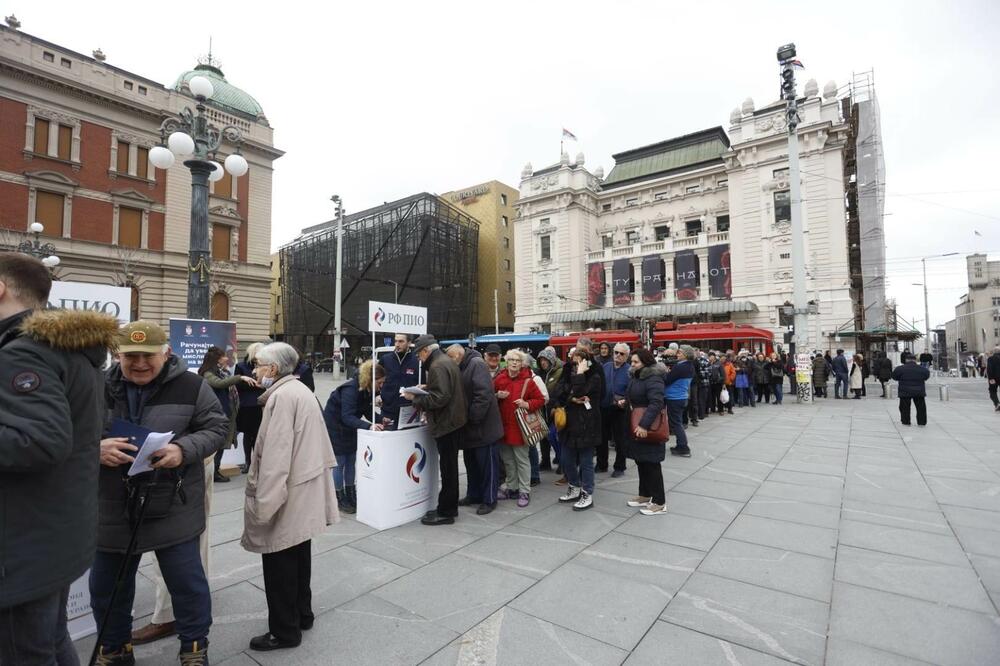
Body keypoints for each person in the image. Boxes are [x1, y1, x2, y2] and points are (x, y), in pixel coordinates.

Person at [0, 255, 118, 665]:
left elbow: (40, 440)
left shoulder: (22, 354)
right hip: (55, 533)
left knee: (24, 653)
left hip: (23, 543)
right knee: (49, 643)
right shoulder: (69, 352)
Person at [93, 321, 228, 665]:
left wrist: (183, 449)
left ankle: (194, 649)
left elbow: (216, 427)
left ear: (166, 353)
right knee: (107, 587)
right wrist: (94, 448)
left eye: (147, 355)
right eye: (131, 356)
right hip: (111, 504)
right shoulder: (95, 386)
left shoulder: (192, 385)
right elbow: (67, 432)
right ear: (117, 355)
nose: (139, 363)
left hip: (172, 502)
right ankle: (115, 648)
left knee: (187, 584)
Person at [242, 342, 339, 651]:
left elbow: (276, 457)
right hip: (303, 489)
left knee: (279, 561)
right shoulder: (299, 392)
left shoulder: (282, 398)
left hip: (288, 493)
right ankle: (302, 615)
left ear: (273, 369)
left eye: (258, 364)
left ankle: (284, 632)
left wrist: (264, 506)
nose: (255, 370)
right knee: (298, 556)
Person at [404, 335, 467, 526]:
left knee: (448, 470)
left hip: (446, 423)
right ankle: (450, 508)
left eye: (419, 354)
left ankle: (446, 512)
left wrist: (413, 398)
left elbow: (439, 398)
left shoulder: (437, 366)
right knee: (450, 469)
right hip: (454, 421)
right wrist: (428, 387)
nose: (419, 359)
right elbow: (445, 390)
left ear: (426, 351)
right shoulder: (445, 360)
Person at [447, 344, 504, 515]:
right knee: (471, 464)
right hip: (470, 428)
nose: (450, 362)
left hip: (483, 428)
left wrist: (473, 417)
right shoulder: (464, 365)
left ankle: (489, 499)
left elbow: (484, 395)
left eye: (451, 358)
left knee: (488, 467)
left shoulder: (476, 364)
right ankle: (474, 494)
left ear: (458, 354)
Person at [323, 360, 386, 514]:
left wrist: (380, 420)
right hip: (335, 426)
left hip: (350, 426)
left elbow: (365, 409)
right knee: (340, 462)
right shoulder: (351, 388)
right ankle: (339, 497)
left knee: (351, 459)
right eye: (379, 382)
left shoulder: (366, 388)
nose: (381, 386)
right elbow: (347, 416)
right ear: (371, 379)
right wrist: (369, 426)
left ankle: (351, 493)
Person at [198, 346, 257, 483]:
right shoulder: (208, 373)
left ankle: (215, 470)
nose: (226, 358)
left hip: (225, 413)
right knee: (217, 444)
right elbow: (219, 384)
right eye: (224, 356)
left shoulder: (222, 372)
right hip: (216, 415)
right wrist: (240, 377)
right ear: (218, 359)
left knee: (223, 443)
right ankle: (212, 471)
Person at [494, 349, 545, 507]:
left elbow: (541, 400)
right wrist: (497, 396)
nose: (515, 363)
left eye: (518, 360)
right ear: (507, 362)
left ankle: (524, 490)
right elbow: (489, 395)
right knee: (508, 460)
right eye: (512, 360)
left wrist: (526, 404)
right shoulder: (500, 378)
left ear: (522, 363)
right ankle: (512, 487)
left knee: (522, 460)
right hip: (503, 427)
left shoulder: (528, 380)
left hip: (520, 428)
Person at [558, 349, 603, 510]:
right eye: (573, 360)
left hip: (587, 424)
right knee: (566, 459)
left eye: (579, 361)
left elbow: (580, 391)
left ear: (586, 362)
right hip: (569, 424)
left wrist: (580, 375)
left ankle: (587, 492)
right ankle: (574, 486)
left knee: (586, 462)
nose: (575, 364)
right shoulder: (567, 373)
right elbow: (560, 393)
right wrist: (572, 398)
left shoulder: (595, 376)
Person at [625, 348, 667, 515]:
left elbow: (656, 403)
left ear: (646, 362)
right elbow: (635, 396)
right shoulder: (638, 376)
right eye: (632, 362)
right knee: (641, 461)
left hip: (649, 427)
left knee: (652, 464)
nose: (632, 365)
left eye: (636, 362)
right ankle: (645, 494)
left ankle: (659, 502)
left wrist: (643, 425)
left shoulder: (653, 377)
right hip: (638, 423)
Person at [599, 342, 631, 477]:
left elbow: (632, 390)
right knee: (602, 438)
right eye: (616, 352)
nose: (617, 355)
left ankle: (619, 467)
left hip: (620, 409)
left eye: (621, 353)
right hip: (605, 406)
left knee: (620, 439)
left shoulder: (630, 370)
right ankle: (601, 464)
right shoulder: (606, 366)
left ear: (626, 356)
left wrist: (625, 400)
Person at [235, 342, 266, 472]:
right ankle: (248, 461)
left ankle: (257, 462)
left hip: (260, 404)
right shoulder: (241, 366)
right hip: (247, 405)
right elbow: (238, 385)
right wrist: (255, 384)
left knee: (259, 435)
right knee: (248, 435)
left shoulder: (264, 366)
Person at [379, 333, 419, 424]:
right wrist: (377, 395)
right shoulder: (385, 359)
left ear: (409, 343)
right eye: (396, 341)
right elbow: (375, 379)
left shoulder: (417, 361)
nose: (397, 344)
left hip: (409, 409)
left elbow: (423, 384)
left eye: (401, 341)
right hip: (387, 410)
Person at [536, 348, 563, 472]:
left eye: (545, 360)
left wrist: (555, 406)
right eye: (541, 360)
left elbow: (561, 391)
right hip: (542, 410)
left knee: (554, 436)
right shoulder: (539, 373)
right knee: (543, 437)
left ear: (551, 360)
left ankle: (562, 461)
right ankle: (545, 461)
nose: (543, 362)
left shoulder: (560, 371)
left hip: (555, 410)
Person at [664, 345, 694, 457]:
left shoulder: (680, 367)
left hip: (674, 397)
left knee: (676, 423)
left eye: (680, 352)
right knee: (678, 422)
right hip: (681, 396)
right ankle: (680, 445)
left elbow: (667, 380)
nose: (677, 354)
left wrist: (666, 372)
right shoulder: (689, 366)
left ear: (686, 354)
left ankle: (683, 447)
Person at [892, 352, 930, 426]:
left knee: (904, 407)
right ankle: (921, 422)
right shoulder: (922, 369)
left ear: (906, 360)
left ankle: (905, 421)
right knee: (921, 407)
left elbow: (894, 377)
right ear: (915, 360)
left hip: (904, 391)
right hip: (919, 391)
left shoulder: (900, 369)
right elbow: (926, 376)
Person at [987, 346, 1000, 412]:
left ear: (994, 352)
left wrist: (991, 378)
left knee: (992, 391)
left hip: (994, 378)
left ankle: (997, 403)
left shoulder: (991, 359)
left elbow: (989, 369)